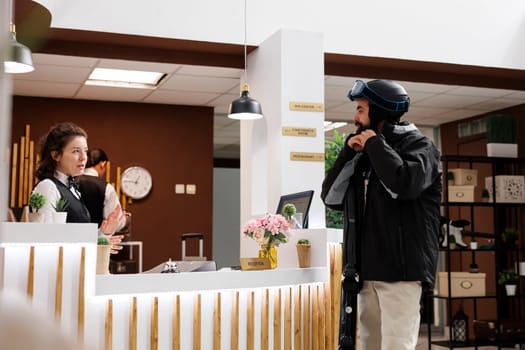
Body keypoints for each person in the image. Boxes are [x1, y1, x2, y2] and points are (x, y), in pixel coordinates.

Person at [321, 79, 442, 350]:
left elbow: (402, 185)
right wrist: (348, 155)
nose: (355, 117)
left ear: (378, 112)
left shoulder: (422, 148)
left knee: (397, 346)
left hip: (402, 273)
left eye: (361, 110)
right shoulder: (365, 154)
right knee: (370, 345)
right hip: (366, 271)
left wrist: (375, 145)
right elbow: (331, 198)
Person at [32, 122, 123, 239]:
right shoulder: (47, 187)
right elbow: (47, 239)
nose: (83, 157)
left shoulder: (72, 189)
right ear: (56, 155)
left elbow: (78, 239)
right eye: (76, 151)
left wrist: (104, 234)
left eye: (85, 151)